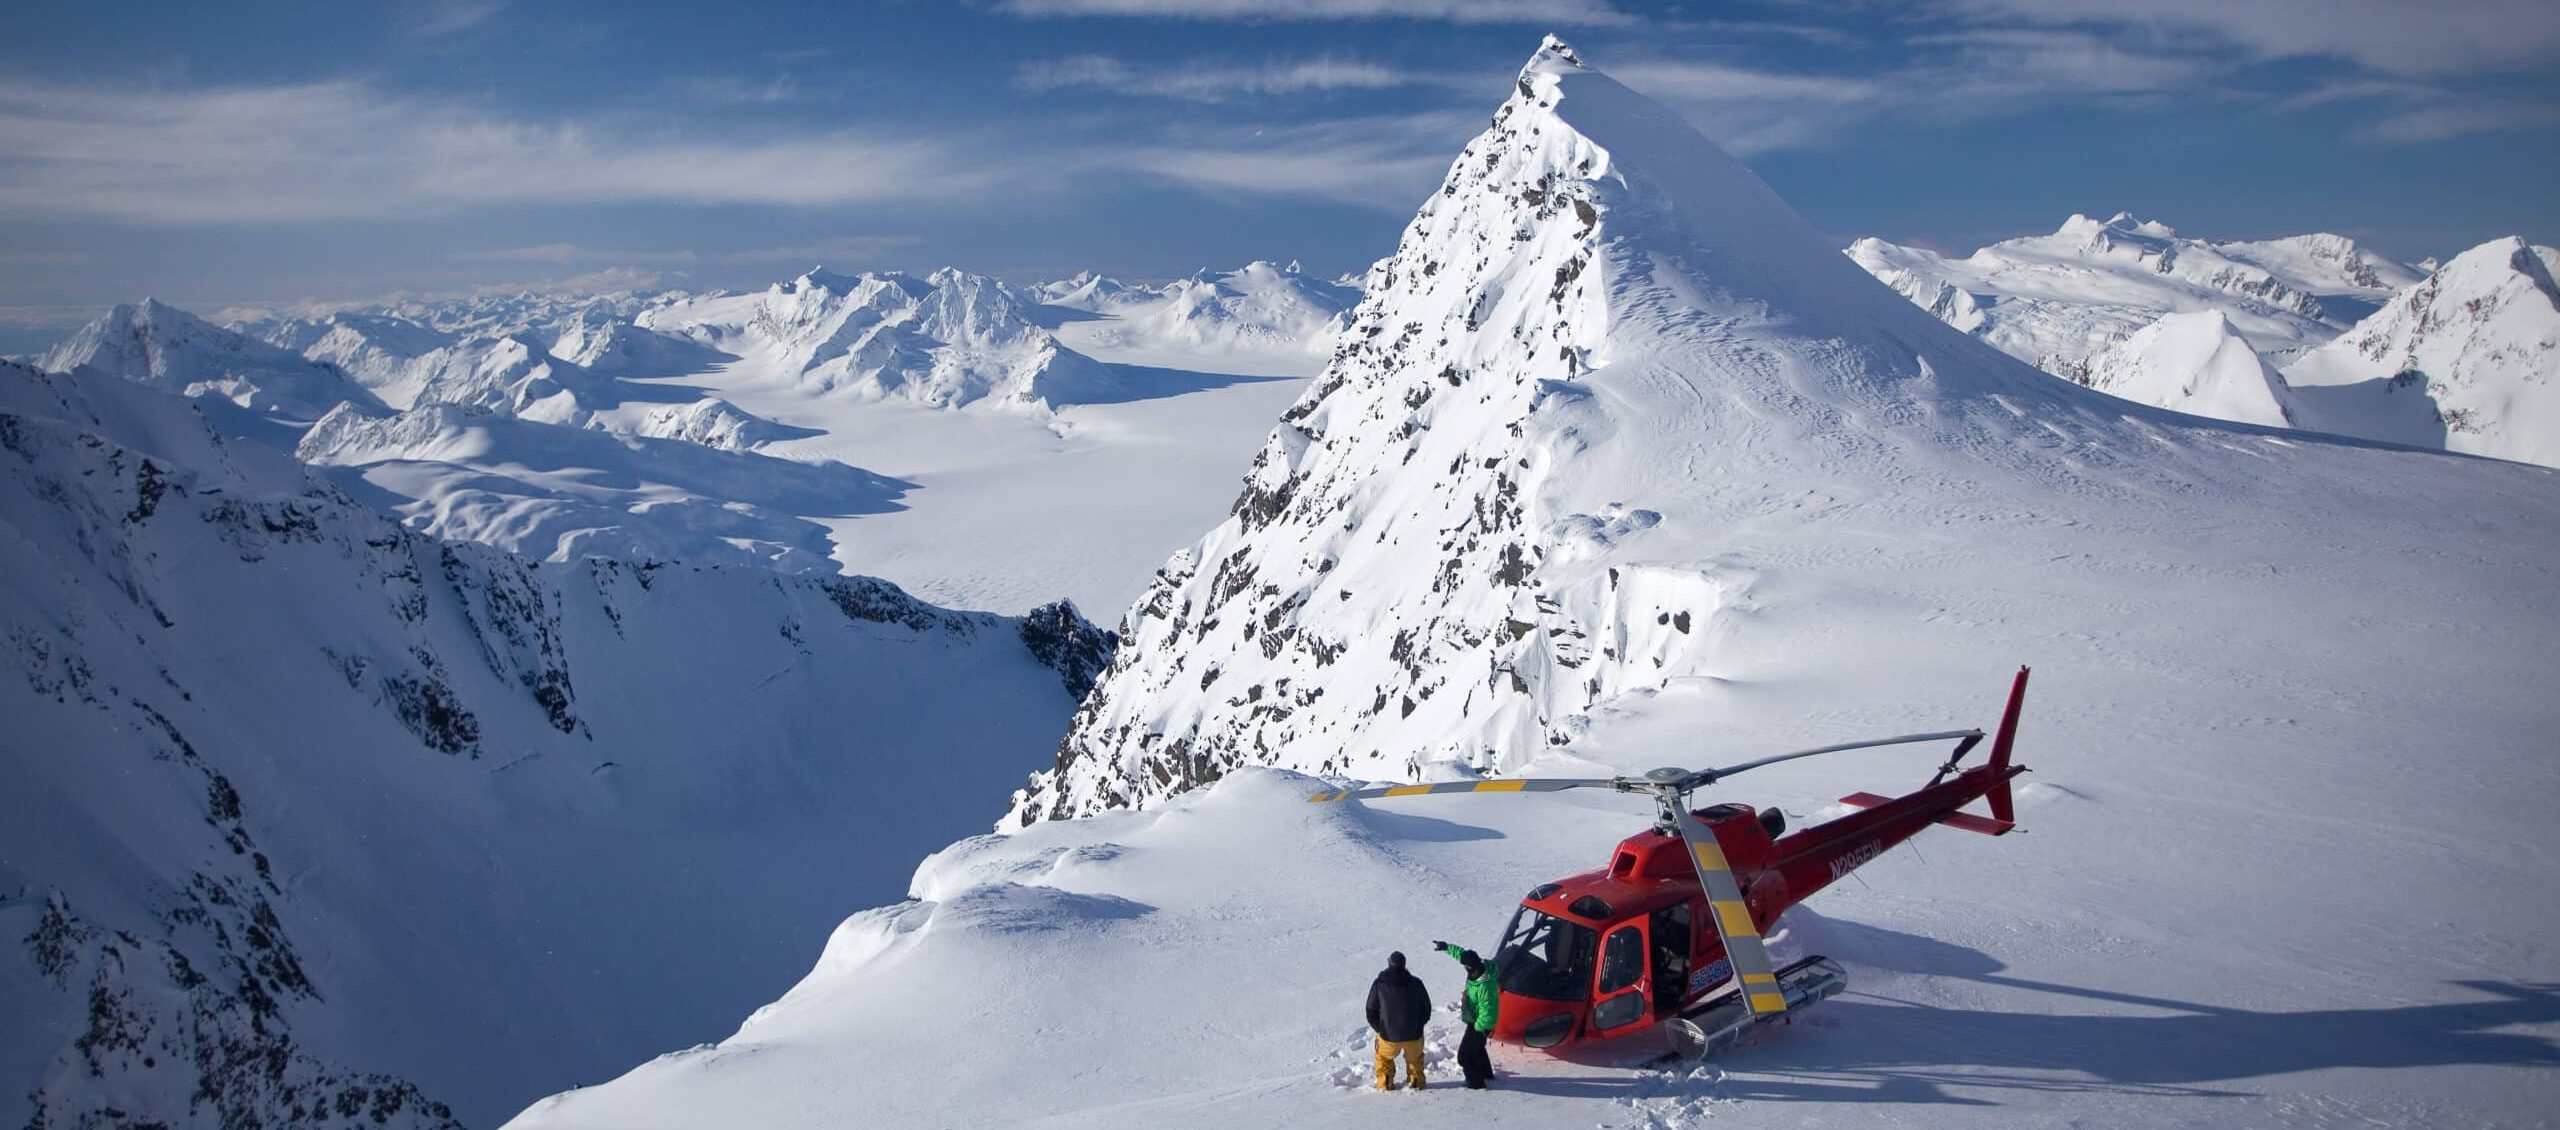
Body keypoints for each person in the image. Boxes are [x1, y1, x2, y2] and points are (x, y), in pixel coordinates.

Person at [1435, 940, 1499, 1088]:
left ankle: (1476, 1086)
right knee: (1477, 1049)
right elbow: (1462, 955)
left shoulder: (1484, 987)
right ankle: (1486, 1076)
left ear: (1471, 969)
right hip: (1476, 1020)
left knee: (1465, 1056)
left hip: (1481, 1023)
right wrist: (1446, 947)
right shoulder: (1480, 966)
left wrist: (1478, 1027)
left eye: (1465, 967)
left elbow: (1489, 1012)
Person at [1365, 951, 1431, 1090]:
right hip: (1414, 1034)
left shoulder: (1379, 984)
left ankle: (1385, 1082)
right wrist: (1419, 1025)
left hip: (1389, 1036)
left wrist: (1380, 1028)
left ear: (1389, 964)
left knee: (1383, 1058)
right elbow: (1426, 1008)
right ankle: (1416, 1081)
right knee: (1415, 1059)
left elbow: (1371, 1010)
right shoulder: (1416, 983)